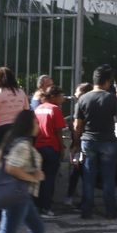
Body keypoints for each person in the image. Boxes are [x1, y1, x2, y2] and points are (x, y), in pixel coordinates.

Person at [72, 66, 117, 219]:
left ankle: (87, 211)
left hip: (88, 141)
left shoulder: (83, 98)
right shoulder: (111, 98)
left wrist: (76, 143)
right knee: (109, 177)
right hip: (108, 141)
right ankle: (110, 211)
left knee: (88, 177)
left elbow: (77, 125)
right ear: (107, 82)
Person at [33, 88, 68, 216]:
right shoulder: (55, 109)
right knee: (49, 179)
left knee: (38, 179)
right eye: (61, 96)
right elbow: (58, 131)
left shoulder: (37, 109)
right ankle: (46, 207)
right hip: (51, 147)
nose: (62, 99)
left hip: (38, 147)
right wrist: (62, 148)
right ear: (53, 96)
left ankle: (36, 207)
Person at [0, 67, 31, 156]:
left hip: (1, 130)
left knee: (1, 159)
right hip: (19, 129)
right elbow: (26, 111)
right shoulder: (21, 92)